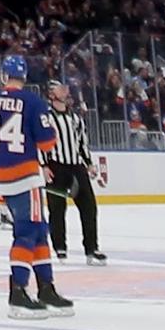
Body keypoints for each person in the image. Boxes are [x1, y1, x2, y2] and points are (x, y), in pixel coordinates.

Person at [0, 54, 71, 315]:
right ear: (25, 76)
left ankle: (46, 287)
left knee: (40, 229)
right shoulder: (32, 102)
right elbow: (46, 143)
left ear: (3, 76)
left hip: (2, 176)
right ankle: (18, 291)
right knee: (28, 231)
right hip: (27, 176)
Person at [47, 70, 103, 264]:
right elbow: (39, 143)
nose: (65, 90)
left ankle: (91, 249)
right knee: (57, 209)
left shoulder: (75, 118)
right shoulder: (46, 118)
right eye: (60, 88)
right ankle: (60, 248)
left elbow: (82, 143)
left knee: (89, 207)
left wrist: (89, 164)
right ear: (51, 93)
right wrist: (43, 166)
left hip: (76, 166)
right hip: (55, 166)